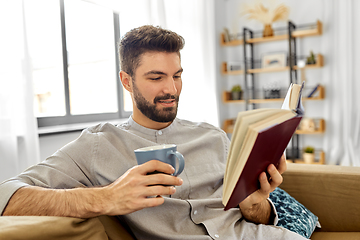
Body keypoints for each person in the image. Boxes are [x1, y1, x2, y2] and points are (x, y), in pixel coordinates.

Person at [0, 25, 306, 239]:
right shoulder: (97, 145)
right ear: (127, 80)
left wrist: (256, 204)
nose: (171, 89)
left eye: (177, 76)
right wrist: (106, 198)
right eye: (156, 77)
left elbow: (259, 217)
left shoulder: (213, 137)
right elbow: (6, 197)